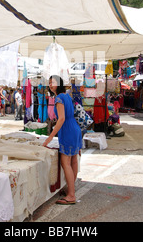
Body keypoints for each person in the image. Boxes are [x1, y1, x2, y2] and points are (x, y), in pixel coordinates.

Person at [43, 75, 82, 205]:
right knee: (73, 161)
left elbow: (61, 119)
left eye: (52, 82)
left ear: (58, 84)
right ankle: (70, 190)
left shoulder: (59, 98)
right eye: (49, 82)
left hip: (67, 130)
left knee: (66, 162)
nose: (50, 84)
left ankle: (71, 194)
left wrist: (49, 137)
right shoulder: (66, 96)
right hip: (75, 129)